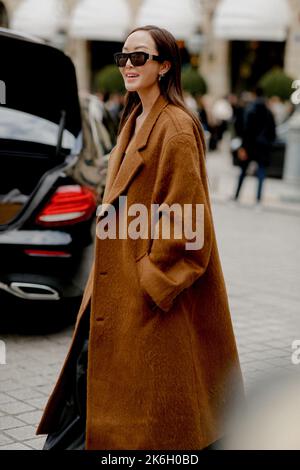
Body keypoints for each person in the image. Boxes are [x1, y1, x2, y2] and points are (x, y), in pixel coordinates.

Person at [36, 25, 244, 451]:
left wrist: (150, 278)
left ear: (164, 66)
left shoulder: (177, 128)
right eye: (123, 57)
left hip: (146, 294)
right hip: (112, 286)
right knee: (91, 384)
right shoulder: (135, 118)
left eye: (139, 58)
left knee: (150, 408)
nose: (127, 66)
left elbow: (187, 222)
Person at [233, 87, 276, 203]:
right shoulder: (268, 111)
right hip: (263, 146)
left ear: (254, 94)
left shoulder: (251, 109)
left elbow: (246, 129)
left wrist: (243, 147)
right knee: (261, 172)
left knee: (243, 171)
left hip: (250, 145)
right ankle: (258, 199)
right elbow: (273, 132)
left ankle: (236, 196)